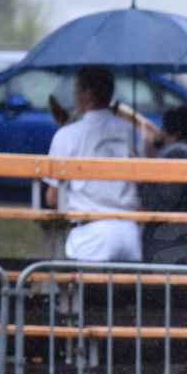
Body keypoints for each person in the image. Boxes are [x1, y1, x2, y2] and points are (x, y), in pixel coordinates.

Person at [44, 65, 142, 262]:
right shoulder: (132, 133)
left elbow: (53, 198)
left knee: (88, 292)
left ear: (86, 95)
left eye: (76, 90)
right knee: (126, 293)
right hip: (130, 234)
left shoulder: (65, 135)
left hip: (90, 236)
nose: (75, 96)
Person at [138, 105, 187, 265]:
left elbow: (157, 205)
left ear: (174, 133)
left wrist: (142, 170)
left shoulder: (176, 156)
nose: (158, 133)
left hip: (176, 257)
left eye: (163, 129)